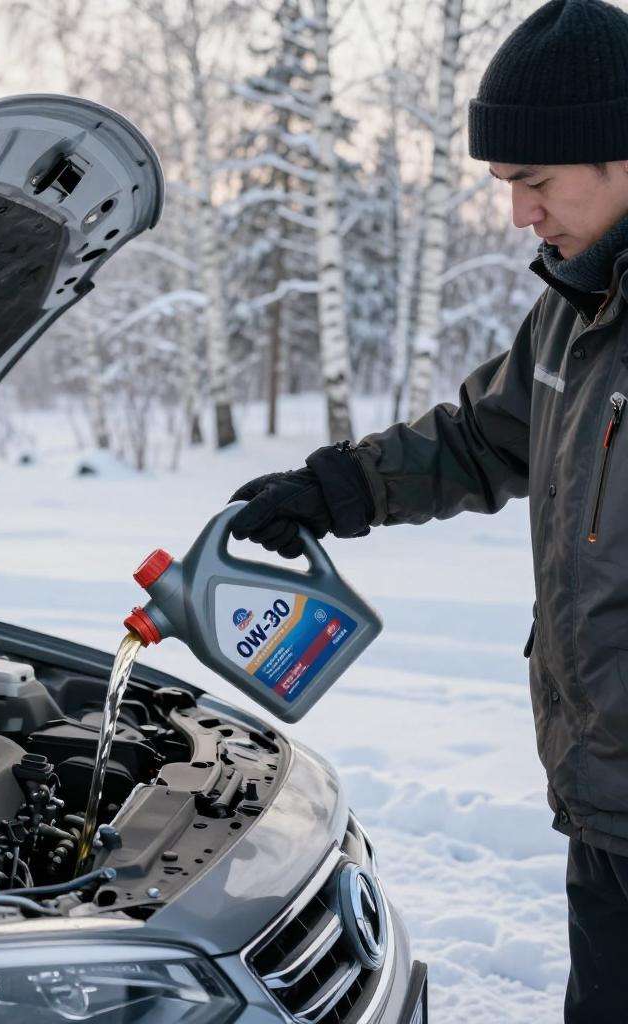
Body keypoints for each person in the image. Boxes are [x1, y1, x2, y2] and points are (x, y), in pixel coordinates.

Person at [227, 1, 628, 1020]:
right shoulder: (576, 314)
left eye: (535, 182)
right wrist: (339, 487)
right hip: (604, 794)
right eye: (505, 186)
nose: (519, 215)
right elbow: (481, 438)